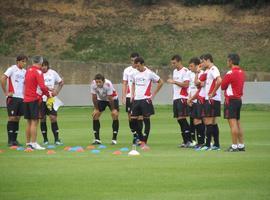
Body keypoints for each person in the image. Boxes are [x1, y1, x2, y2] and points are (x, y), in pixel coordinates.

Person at [130, 57, 163, 147]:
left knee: (146, 120)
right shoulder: (134, 73)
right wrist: (132, 94)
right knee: (133, 120)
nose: (137, 67)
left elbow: (161, 82)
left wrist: (153, 95)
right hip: (136, 100)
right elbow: (133, 83)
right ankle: (141, 138)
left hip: (145, 100)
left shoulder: (149, 73)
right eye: (136, 66)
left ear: (142, 64)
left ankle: (144, 141)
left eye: (138, 65)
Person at [24, 55, 51, 150]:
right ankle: (34, 143)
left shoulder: (28, 70)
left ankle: (28, 143)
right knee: (35, 121)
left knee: (29, 122)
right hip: (34, 99)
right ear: (41, 62)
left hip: (26, 99)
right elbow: (42, 86)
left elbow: (26, 84)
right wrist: (48, 94)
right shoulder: (38, 72)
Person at [1, 55, 28, 146]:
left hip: (22, 98)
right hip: (13, 98)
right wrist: (6, 92)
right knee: (11, 118)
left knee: (17, 119)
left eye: (25, 61)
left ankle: (15, 140)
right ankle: (10, 140)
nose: (24, 63)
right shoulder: (12, 69)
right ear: (18, 61)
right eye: (23, 61)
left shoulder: (25, 72)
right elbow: (3, 78)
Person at [221, 53, 245, 152]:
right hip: (238, 100)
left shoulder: (230, 73)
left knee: (233, 124)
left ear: (231, 61)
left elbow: (223, 86)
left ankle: (234, 146)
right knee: (238, 123)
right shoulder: (241, 72)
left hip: (230, 100)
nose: (227, 63)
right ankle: (241, 145)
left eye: (227, 61)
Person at [167, 55, 192, 148]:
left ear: (179, 61)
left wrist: (174, 82)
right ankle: (185, 141)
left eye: (174, 63)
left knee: (182, 119)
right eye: (172, 63)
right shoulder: (174, 71)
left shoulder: (185, 71)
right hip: (176, 98)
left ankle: (189, 140)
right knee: (179, 119)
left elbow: (186, 84)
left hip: (182, 97)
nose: (173, 65)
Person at [199, 54, 222, 151]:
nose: (202, 63)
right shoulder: (209, 71)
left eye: (203, 61)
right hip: (213, 100)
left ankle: (207, 145)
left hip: (212, 99)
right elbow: (200, 82)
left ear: (208, 60)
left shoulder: (213, 69)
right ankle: (216, 145)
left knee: (208, 122)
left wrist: (212, 92)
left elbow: (219, 80)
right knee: (213, 122)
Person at [40, 59, 64, 145]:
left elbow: (61, 82)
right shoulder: (37, 73)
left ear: (47, 65)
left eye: (44, 65)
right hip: (40, 99)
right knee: (42, 119)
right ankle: (45, 140)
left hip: (50, 99)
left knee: (53, 118)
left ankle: (57, 139)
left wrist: (56, 91)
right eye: (41, 66)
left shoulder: (52, 73)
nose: (43, 67)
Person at [91, 74, 119, 145]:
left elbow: (110, 98)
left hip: (112, 99)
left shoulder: (108, 84)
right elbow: (94, 97)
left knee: (114, 114)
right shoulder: (93, 84)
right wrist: (96, 109)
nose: (98, 84)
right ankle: (97, 139)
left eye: (99, 82)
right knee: (95, 115)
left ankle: (114, 139)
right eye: (97, 82)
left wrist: (113, 109)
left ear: (103, 81)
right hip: (101, 99)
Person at [187, 57, 205, 149]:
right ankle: (199, 141)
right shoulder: (191, 74)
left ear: (198, 66)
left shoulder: (202, 74)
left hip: (200, 100)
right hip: (193, 100)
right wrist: (189, 98)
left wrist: (191, 99)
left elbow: (200, 90)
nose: (190, 68)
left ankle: (203, 141)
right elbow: (191, 88)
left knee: (200, 121)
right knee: (195, 121)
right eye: (189, 66)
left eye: (192, 66)